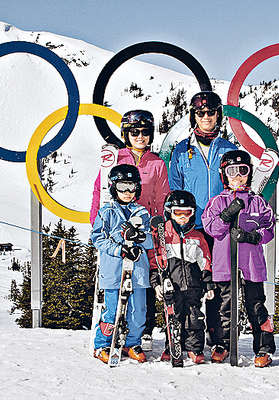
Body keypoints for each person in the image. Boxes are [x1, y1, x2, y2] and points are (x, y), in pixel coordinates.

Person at [90, 110, 169, 350]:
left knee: (140, 288)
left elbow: (162, 198)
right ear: (126, 133)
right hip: (114, 230)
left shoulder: (156, 163)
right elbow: (99, 192)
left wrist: (157, 229)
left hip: (142, 228)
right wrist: (98, 223)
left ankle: (136, 338)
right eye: (135, 132)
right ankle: (105, 338)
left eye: (145, 132)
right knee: (114, 288)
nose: (140, 136)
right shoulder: (115, 158)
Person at [168, 91, 237, 345]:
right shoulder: (181, 151)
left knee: (218, 287)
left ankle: (219, 339)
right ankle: (188, 340)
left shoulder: (228, 150)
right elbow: (175, 189)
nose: (206, 117)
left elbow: (237, 187)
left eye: (211, 112)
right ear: (193, 116)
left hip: (219, 228)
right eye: (201, 113)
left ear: (219, 115)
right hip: (192, 228)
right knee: (190, 287)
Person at [201, 150, 276, 367]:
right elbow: (211, 228)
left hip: (251, 265)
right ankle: (221, 344)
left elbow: (268, 229)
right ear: (224, 175)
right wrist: (226, 216)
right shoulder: (217, 202)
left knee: (255, 306)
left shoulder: (258, 202)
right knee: (224, 306)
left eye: (242, 171)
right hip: (225, 264)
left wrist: (252, 236)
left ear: (249, 173)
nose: (237, 176)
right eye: (231, 171)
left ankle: (263, 347)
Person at [91, 164, 153, 364]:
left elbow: (151, 239)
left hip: (137, 270)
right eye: (122, 187)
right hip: (114, 269)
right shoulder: (106, 211)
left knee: (138, 311)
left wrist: (141, 238)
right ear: (113, 187)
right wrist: (119, 248)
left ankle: (132, 342)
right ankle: (102, 344)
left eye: (131, 187)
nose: (127, 192)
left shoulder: (142, 212)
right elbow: (97, 238)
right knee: (111, 309)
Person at [150, 190, 213, 365]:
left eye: (188, 213)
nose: (183, 217)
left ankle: (194, 348)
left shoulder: (198, 237)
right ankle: (172, 346)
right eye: (178, 213)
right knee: (173, 317)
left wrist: (208, 284)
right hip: (173, 286)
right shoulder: (164, 237)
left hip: (193, 286)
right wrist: (157, 284)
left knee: (194, 317)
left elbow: (205, 261)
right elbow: (156, 261)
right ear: (170, 212)